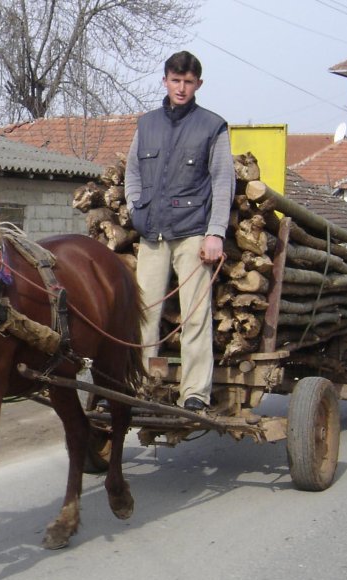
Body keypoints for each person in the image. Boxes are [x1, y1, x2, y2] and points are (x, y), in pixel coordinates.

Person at [125, 50, 235, 412]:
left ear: (198, 84)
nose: (181, 88)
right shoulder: (146, 124)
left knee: (194, 316)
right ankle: (140, 389)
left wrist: (215, 232)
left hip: (193, 234)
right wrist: (135, 207)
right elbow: (132, 173)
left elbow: (222, 182)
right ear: (165, 80)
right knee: (144, 315)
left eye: (188, 82)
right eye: (176, 80)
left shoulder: (212, 126)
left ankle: (194, 394)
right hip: (152, 234)